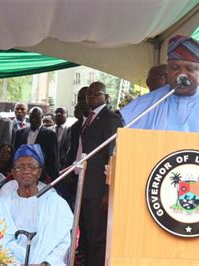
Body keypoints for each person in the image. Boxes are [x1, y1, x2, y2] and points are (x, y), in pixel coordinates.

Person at [120, 35, 199, 135]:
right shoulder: (147, 104)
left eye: (190, 69)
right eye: (175, 67)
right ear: (167, 69)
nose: (182, 74)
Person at [0, 144, 73, 265]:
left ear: (39, 172)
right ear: (13, 173)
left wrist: (46, 263)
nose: (26, 171)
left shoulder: (56, 204)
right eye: (20, 167)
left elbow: (64, 243)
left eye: (31, 167)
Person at [79, 81, 122, 266]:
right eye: (89, 93)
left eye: (96, 94)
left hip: (99, 189)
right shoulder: (89, 118)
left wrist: (107, 190)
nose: (92, 97)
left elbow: (111, 155)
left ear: (106, 97)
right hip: (85, 185)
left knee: (97, 234)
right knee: (87, 231)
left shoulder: (110, 119)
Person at [13, 107, 59, 183]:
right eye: (32, 117)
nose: (34, 120)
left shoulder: (50, 135)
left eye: (36, 117)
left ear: (41, 117)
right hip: (22, 174)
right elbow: (15, 154)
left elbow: (53, 159)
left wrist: (53, 179)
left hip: (41, 176)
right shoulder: (20, 133)